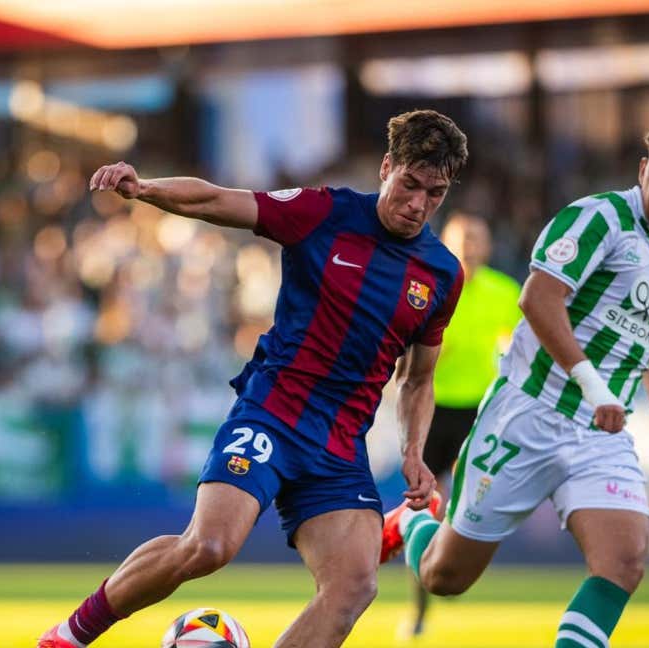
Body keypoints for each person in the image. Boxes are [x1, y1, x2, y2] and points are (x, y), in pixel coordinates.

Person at [37, 109, 469, 648]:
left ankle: (382, 530)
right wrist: (144, 189)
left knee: (353, 588)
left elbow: (417, 380)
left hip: (339, 444)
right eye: (409, 184)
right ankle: (68, 636)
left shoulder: (443, 274)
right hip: (274, 412)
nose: (418, 205)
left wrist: (413, 452)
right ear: (386, 167)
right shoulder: (324, 212)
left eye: (435, 193)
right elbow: (221, 200)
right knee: (209, 547)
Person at [380, 113, 649, 648]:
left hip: (598, 434)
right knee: (445, 577)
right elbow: (537, 298)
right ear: (642, 167)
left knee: (624, 562)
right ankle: (412, 526)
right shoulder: (599, 219)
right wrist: (595, 386)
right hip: (526, 414)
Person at [392, 213, 522, 639]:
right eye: (461, 240)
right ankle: (419, 610)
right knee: (423, 505)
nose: (469, 248)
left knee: (473, 505)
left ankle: (455, 567)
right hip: (433, 409)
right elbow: (401, 351)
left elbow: (518, 349)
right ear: (447, 244)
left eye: (476, 239)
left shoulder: (506, 292)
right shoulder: (429, 288)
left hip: (480, 412)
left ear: (487, 246)